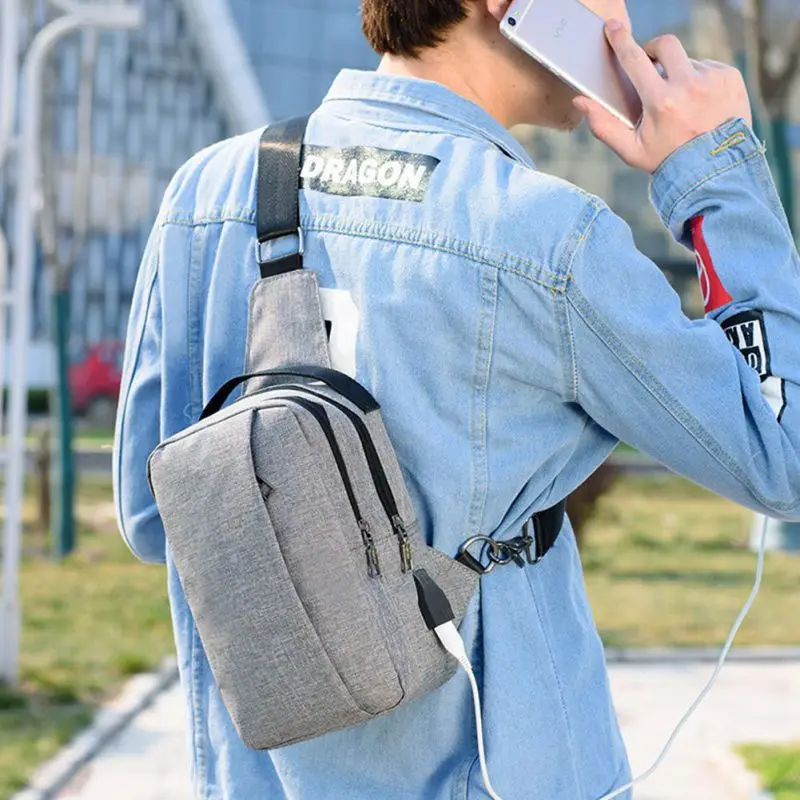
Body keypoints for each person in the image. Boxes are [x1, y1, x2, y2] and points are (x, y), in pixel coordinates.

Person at [114, 0, 800, 797]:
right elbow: (782, 456)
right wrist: (716, 170)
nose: (623, 12)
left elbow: (150, 514)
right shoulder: (546, 235)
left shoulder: (208, 191)